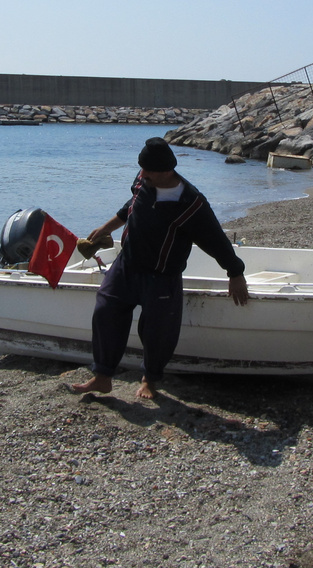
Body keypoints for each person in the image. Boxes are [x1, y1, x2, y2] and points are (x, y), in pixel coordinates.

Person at [69, 137, 249, 400]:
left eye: (148, 171)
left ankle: (150, 381)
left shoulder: (191, 202)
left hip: (162, 277)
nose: (142, 175)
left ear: (166, 171)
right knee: (106, 312)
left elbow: (216, 241)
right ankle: (103, 377)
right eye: (141, 169)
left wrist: (235, 272)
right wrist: (107, 228)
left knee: (157, 332)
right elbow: (131, 205)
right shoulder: (144, 180)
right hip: (126, 266)